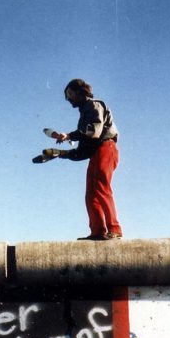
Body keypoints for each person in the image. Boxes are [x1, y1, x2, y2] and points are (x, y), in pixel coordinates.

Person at [50, 79, 122, 241]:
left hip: (106, 148)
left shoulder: (94, 105)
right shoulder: (84, 114)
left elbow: (94, 131)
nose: (68, 99)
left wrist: (69, 135)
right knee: (91, 193)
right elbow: (81, 153)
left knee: (101, 188)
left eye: (70, 94)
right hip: (96, 152)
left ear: (80, 91)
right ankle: (98, 231)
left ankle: (114, 229)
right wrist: (58, 153)